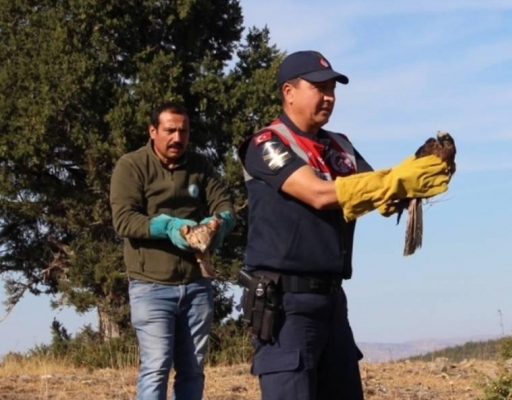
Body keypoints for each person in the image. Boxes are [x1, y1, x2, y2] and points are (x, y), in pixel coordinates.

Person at [236, 50, 452, 399]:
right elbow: (319, 194)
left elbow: (378, 194)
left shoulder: (341, 147)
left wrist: (417, 172)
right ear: (288, 92)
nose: (329, 97)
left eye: (333, 89)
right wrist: (394, 181)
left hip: (332, 301)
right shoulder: (266, 144)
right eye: (319, 87)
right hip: (285, 304)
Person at [109, 101, 237, 400]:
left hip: (196, 283)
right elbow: (124, 220)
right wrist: (168, 227)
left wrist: (218, 224)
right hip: (150, 285)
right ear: (152, 131)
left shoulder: (200, 166)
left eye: (184, 131)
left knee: (193, 369)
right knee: (156, 367)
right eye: (169, 130)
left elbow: (225, 205)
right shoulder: (131, 166)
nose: (177, 138)